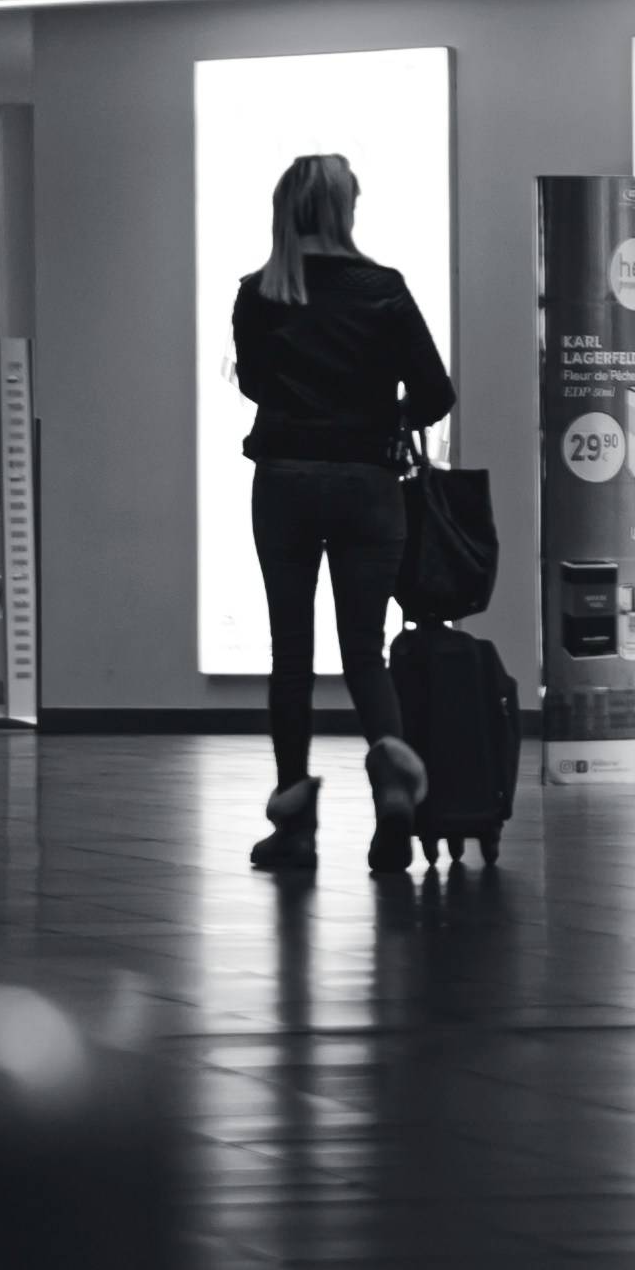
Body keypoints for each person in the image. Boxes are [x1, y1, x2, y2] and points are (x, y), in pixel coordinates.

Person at [231, 151, 452, 878]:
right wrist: (386, 413)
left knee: (290, 653)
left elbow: (257, 384)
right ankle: (392, 777)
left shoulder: (259, 294)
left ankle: (294, 827)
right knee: (363, 647)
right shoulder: (382, 289)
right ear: (345, 210)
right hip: (367, 482)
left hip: (287, 480)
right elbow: (435, 394)